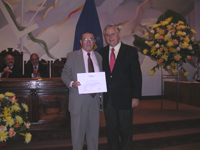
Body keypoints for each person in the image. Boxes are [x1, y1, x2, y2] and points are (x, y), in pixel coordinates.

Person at [98, 24, 142, 150]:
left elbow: (137, 77)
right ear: (105, 37)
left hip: (126, 99)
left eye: (112, 34)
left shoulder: (130, 51)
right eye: (107, 35)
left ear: (118, 35)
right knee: (111, 131)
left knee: (125, 130)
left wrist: (136, 97)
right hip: (108, 100)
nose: (110, 37)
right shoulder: (102, 52)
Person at [61, 31, 102, 150]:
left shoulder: (99, 57)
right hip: (79, 101)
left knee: (93, 134)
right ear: (81, 42)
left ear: (94, 42)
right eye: (85, 39)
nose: (88, 42)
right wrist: (71, 83)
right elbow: (64, 75)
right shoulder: (72, 56)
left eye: (91, 39)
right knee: (78, 135)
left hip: (95, 101)